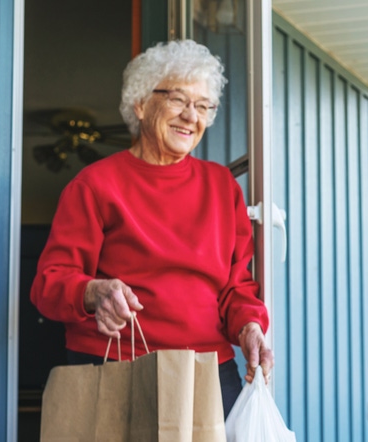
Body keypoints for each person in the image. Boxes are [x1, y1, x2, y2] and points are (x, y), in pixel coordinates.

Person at [30, 39, 273, 418]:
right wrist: (95, 291)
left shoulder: (223, 187)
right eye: (178, 100)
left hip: (208, 372)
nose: (192, 116)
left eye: (204, 106)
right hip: (116, 368)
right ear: (141, 104)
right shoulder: (95, 185)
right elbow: (50, 284)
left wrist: (250, 329)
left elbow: (236, 290)